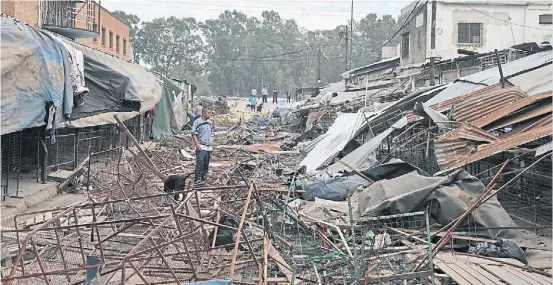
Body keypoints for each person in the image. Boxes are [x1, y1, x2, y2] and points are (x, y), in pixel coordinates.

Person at [191, 106, 214, 185]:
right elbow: (194, 134)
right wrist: (197, 145)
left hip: (208, 147)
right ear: (204, 113)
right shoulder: (197, 122)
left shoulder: (210, 122)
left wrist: (211, 142)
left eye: (210, 113)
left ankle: (204, 176)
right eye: (208, 113)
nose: (210, 114)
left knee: (206, 163)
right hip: (201, 145)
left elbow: (211, 133)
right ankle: (197, 178)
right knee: (200, 162)